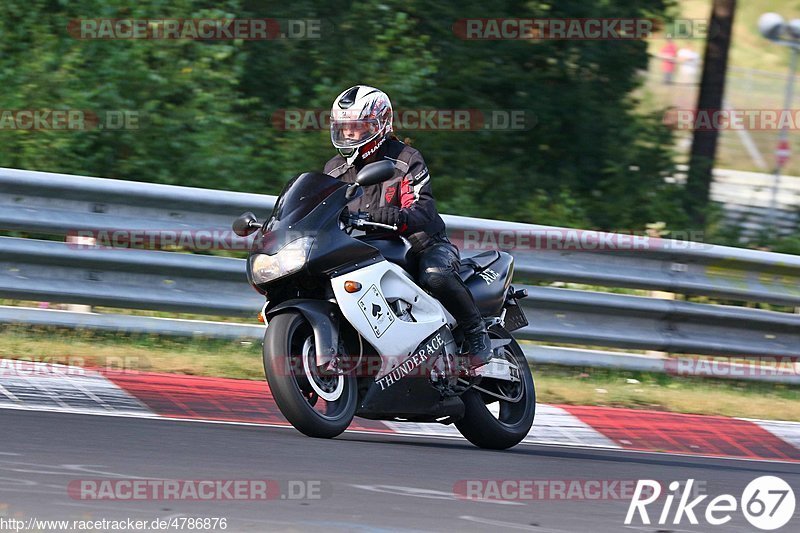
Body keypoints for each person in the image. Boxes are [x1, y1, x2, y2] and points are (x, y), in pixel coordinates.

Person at [323, 85, 492, 367]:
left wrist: (399, 217)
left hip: (420, 243)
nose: (349, 133)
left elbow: (423, 208)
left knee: (435, 274)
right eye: (344, 126)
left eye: (356, 126)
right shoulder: (334, 169)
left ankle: (476, 333)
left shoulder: (406, 159)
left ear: (380, 124)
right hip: (363, 248)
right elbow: (323, 206)